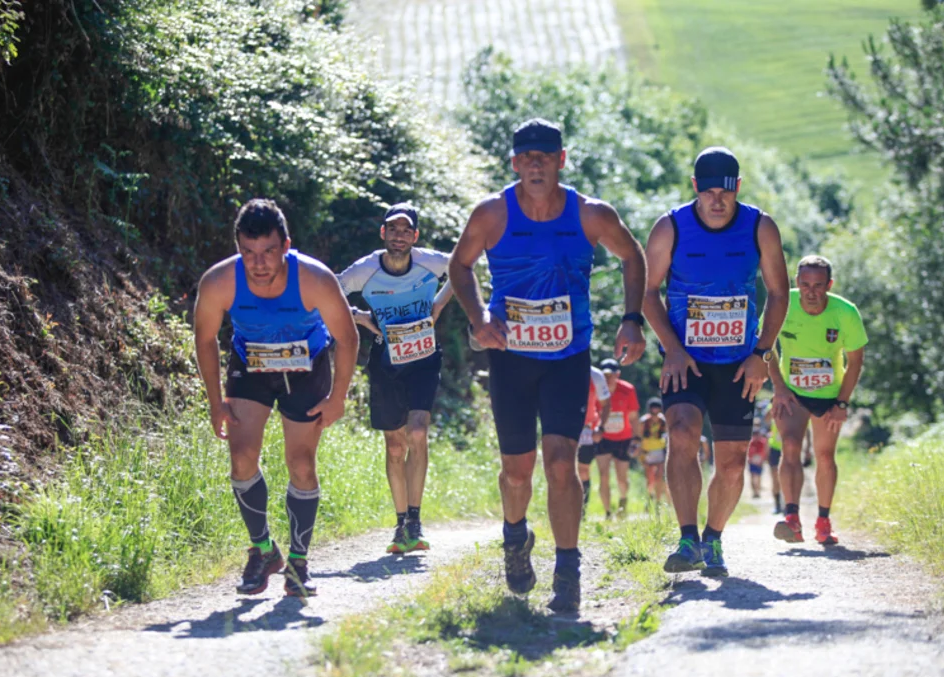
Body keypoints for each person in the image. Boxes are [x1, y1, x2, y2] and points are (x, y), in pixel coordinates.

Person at [449, 118, 647, 612]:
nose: (535, 165)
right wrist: (478, 317)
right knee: (517, 472)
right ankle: (515, 538)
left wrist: (631, 319)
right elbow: (459, 265)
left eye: (545, 157)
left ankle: (567, 571)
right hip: (511, 357)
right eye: (526, 158)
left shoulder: (591, 214)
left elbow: (633, 256)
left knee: (562, 462)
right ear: (514, 163)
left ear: (561, 160)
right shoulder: (493, 213)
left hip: (567, 357)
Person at [194, 199, 359, 598]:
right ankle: (263, 549)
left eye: (268, 251)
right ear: (237, 248)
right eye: (248, 252)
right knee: (241, 458)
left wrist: (338, 397)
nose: (258, 263)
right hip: (251, 365)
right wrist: (215, 402)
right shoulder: (219, 282)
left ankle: (298, 561)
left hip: (306, 367)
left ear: (286, 245)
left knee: (301, 463)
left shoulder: (315, 279)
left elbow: (348, 337)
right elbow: (205, 339)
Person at [642, 146, 789, 578]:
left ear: (738, 187)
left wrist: (762, 354)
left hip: (739, 362)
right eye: (708, 192)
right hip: (684, 358)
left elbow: (778, 293)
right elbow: (647, 292)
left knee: (732, 461)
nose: (717, 201)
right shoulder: (670, 227)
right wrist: (671, 348)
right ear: (695, 188)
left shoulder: (760, 226)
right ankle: (687, 539)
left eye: (725, 192)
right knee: (681, 432)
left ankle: (713, 538)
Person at [338, 202, 454, 554]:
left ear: (415, 236)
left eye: (406, 230)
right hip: (385, 361)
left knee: (417, 431)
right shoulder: (365, 269)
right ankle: (401, 523)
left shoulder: (430, 262)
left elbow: (463, 268)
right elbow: (329, 290)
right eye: (393, 229)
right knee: (394, 446)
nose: (399, 236)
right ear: (383, 233)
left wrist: (438, 305)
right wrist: (358, 315)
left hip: (424, 357)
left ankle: (415, 521)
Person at [769, 255, 867, 545]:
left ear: (829, 285)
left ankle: (823, 522)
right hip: (792, 392)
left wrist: (842, 404)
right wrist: (779, 387)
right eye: (805, 284)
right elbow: (764, 346)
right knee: (790, 445)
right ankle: (791, 519)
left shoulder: (845, 312)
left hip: (829, 395)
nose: (811, 292)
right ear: (796, 282)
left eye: (818, 285)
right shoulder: (782, 303)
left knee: (824, 455)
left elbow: (855, 361)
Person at [596, 358, 642, 519]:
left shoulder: (627, 390)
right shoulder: (595, 389)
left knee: (621, 478)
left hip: (624, 438)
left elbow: (634, 416)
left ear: (618, 374)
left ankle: (623, 499)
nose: (608, 379)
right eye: (605, 375)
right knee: (603, 475)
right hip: (603, 438)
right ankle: (608, 512)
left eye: (611, 375)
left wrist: (637, 439)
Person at [578, 365, 612, 518]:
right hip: (565, 427)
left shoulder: (595, 374)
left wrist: (600, 427)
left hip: (587, 428)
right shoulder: (557, 365)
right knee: (564, 468)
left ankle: (582, 510)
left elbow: (606, 404)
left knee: (583, 470)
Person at [640, 397, 670, 508]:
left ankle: (658, 501)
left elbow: (668, 436)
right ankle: (649, 497)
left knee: (659, 477)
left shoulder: (664, 421)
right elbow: (639, 437)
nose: (655, 411)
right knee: (650, 479)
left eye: (657, 408)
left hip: (660, 452)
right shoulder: (644, 421)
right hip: (647, 451)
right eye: (653, 408)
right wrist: (641, 454)